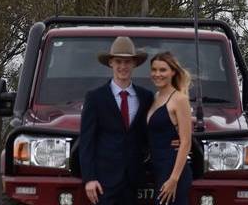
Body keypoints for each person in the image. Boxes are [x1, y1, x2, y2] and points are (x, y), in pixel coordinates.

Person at [78, 36, 154, 205]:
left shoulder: (146, 97)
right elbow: (87, 141)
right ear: (111, 63)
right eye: (118, 61)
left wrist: (175, 140)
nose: (123, 66)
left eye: (127, 62)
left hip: (134, 180)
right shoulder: (95, 98)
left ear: (134, 64)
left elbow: (151, 132)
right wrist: (89, 178)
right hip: (104, 181)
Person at [146, 51, 193, 205]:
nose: (157, 74)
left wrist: (173, 179)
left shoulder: (179, 99)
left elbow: (186, 142)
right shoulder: (155, 98)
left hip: (172, 170)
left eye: (162, 70)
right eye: (154, 69)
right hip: (156, 168)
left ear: (173, 72)